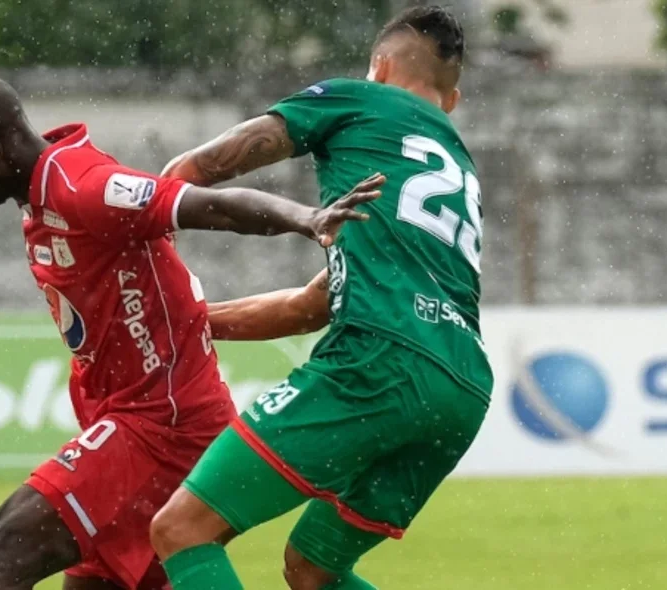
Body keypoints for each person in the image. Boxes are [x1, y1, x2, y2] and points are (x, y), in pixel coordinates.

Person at [0, 71, 382, 590]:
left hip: (162, 430)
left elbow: (210, 206)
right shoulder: (44, 198)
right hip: (143, 425)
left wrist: (307, 217)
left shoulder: (81, 187)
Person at [148, 6, 494, 590]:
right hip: (461, 388)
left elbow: (201, 167)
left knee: (182, 530)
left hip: (379, 362)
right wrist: (190, 322)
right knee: (314, 568)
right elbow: (313, 304)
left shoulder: (356, 98)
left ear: (379, 68)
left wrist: (140, 207)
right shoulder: (457, 164)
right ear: (451, 101)